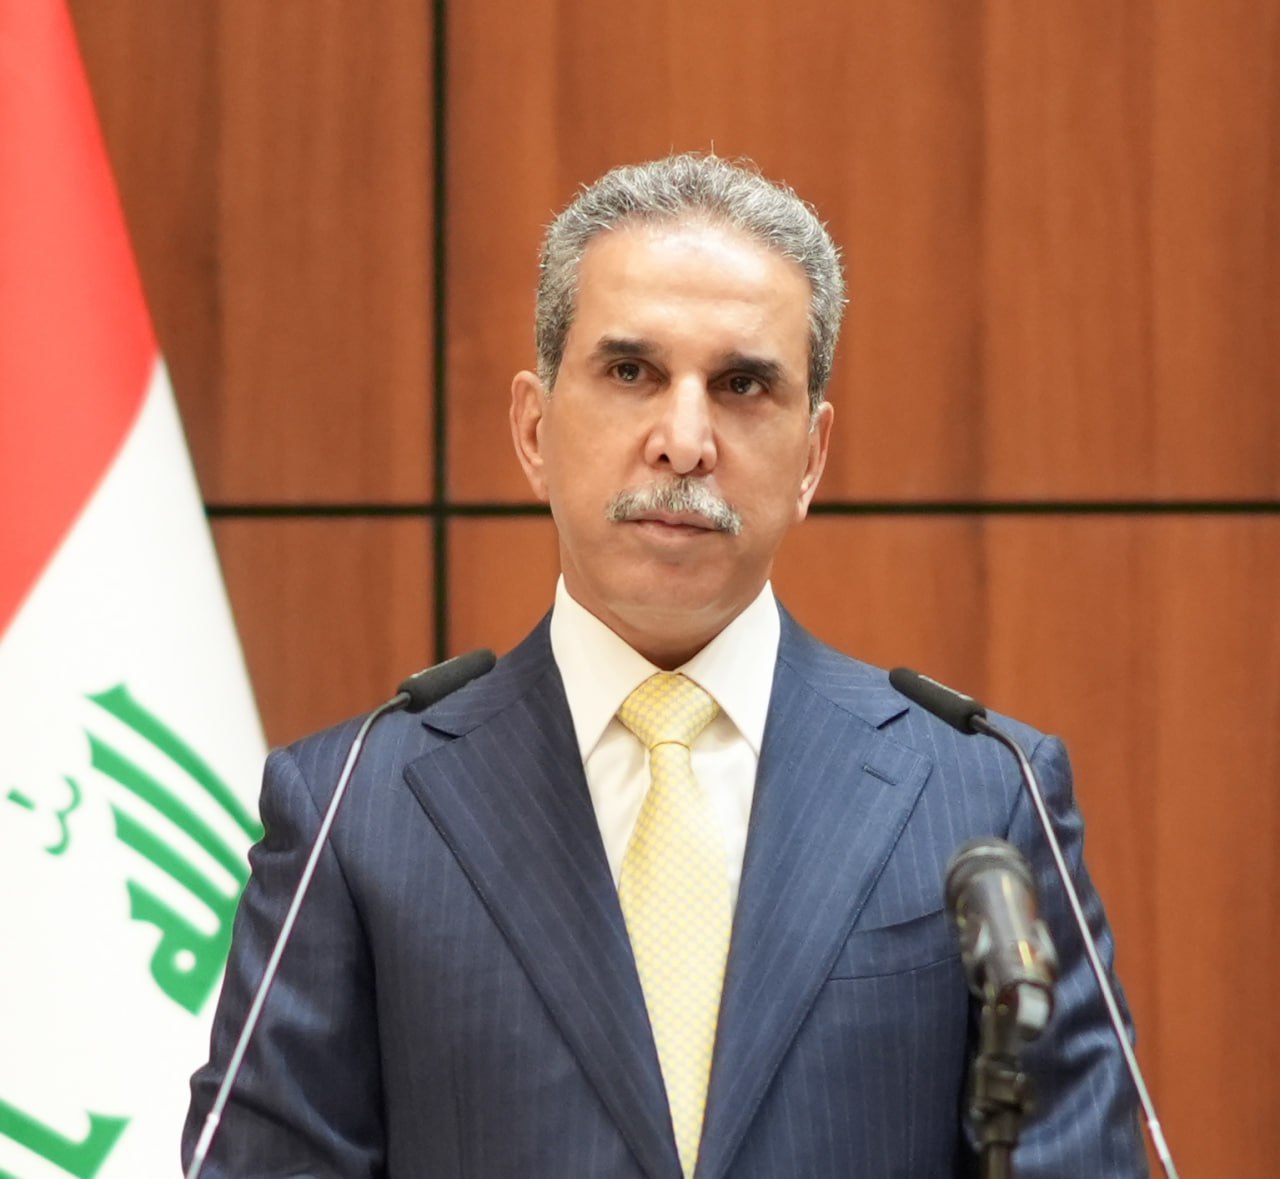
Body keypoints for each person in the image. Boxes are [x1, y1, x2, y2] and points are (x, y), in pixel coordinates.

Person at [185, 154, 1148, 1177]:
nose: (684, 442)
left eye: (742, 385)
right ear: (532, 431)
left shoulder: (982, 796)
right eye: (631, 373)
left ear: (812, 457)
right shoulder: (354, 807)